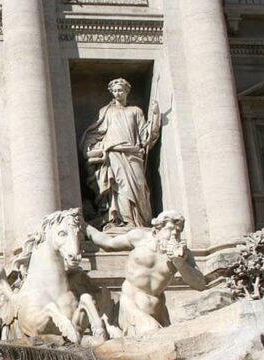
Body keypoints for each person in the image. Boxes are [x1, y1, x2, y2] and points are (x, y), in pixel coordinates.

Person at [86, 210, 206, 336]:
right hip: (131, 305)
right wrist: (85, 227)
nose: (174, 234)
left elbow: (200, 284)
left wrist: (181, 265)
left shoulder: (183, 255)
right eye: (170, 229)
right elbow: (108, 243)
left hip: (159, 311)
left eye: (178, 231)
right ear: (157, 230)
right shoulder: (139, 238)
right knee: (153, 333)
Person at [82, 78, 161, 229]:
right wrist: (91, 148)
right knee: (120, 187)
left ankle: (139, 221)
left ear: (126, 92)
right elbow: (96, 133)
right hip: (113, 153)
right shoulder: (106, 112)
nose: (118, 93)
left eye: (121, 90)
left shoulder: (135, 111)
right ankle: (124, 221)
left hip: (134, 154)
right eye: (115, 91)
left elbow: (146, 135)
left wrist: (156, 115)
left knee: (138, 186)